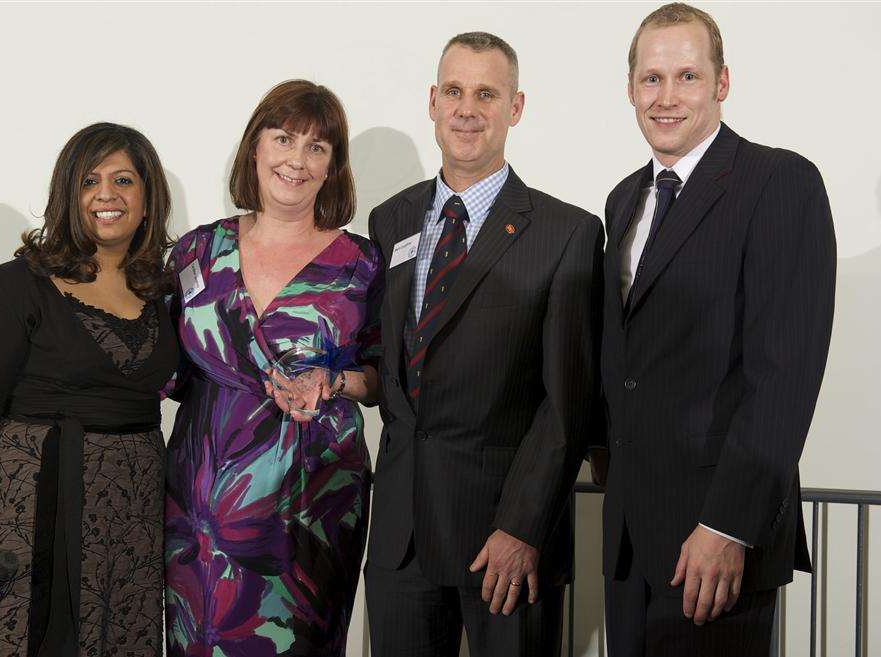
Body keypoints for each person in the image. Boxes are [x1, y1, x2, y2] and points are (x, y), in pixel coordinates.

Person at [597, 4, 837, 656]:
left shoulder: (778, 181)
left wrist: (727, 525)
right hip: (629, 546)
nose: (665, 97)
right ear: (629, 88)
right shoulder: (623, 200)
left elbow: (783, 375)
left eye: (686, 77)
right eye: (650, 79)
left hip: (713, 543)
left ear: (721, 82)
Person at [364, 32, 604, 657]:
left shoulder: (566, 233)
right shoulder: (390, 221)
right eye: (454, 91)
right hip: (398, 539)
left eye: (486, 94)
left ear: (515, 108)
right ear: (433, 102)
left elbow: (566, 402)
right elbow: (390, 364)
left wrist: (522, 527)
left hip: (502, 542)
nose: (467, 109)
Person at [0, 122, 178, 656]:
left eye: (124, 180)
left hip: (131, 522)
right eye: (90, 180)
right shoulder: (17, 285)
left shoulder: (164, 288)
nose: (107, 195)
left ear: (147, 196)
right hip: (29, 513)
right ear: (68, 193)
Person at [163, 80, 381, 657]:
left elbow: (384, 376)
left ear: (334, 166)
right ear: (254, 148)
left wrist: (332, 382)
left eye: (317, 147)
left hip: (311, 505)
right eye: (283, 138)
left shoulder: (361, 263)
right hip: (200, 505)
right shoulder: (195, 252)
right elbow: (160, 367)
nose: (296, 159)